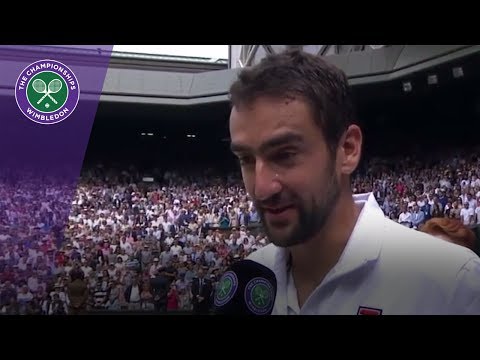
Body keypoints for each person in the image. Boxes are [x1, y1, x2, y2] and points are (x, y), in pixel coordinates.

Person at [228, 49, 480, 315]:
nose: (261, 188)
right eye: (245, 159)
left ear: (347, 150)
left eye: (285, 154)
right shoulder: (247, 282)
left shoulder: (451, 281)